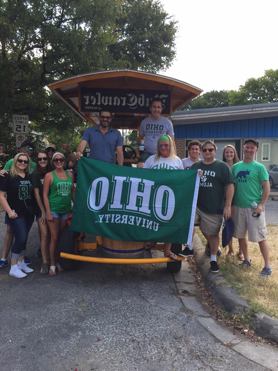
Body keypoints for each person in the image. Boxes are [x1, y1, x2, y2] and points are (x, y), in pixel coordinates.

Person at [180, 140, 235, 274]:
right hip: (197, 205)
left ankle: (213, 259)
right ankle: (190, 246)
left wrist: (227, 206)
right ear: (201, 152)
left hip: (214, 207)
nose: (207, 152)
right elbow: (187, 183)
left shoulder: (221, 166)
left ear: (215, 151)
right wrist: (194, 178)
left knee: (213, 234)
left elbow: (230, 185)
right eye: (204, 150)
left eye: (210, 150)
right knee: (186, 222)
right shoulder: (195, 166)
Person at [231, 139, 272, 278]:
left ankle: (267, 266)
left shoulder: (259, 167)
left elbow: (266, 187)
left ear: (256, 150)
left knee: (261, 237)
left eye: (252, 148)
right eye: (247, 147)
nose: (249, 150)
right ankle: (246, 260)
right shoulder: (236, 167)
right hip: (238, 206)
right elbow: (231, 187)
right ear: (243, 148)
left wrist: (261, 204)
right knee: (241, 235)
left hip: (254, 208)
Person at [143, 135, 183, 260]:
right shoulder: (151, 159)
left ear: (170, 146)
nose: (164, 147)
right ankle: (152, 241)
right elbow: (143, 176)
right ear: (158, 147)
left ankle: (167, 250)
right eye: (161, 145)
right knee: (152, 218)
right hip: (153, 195)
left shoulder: (177, 161)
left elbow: (183, 178)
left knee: (169, 221)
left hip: (170, 196)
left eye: (166, 145)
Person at [0, 139, 36, 270]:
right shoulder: (9, 173)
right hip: (14, 210)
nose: (23, 163)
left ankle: (20, 262)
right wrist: (9, 211)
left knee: (24, 236)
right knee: (18, 235)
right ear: (15, 161)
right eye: (20, 161)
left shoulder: (29, 174)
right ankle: (10, 263)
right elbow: (1, 194)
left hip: (28, 210)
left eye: (25, 161)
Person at [43, 152, 75, 276]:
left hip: (66, 210)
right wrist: (48, 212)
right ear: (53, 162)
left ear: (64, 161)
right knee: (54, 237)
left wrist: (76, 206)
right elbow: (45, 195)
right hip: (54, 210)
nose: (58, 161)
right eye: (56, 160)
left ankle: (57, 262)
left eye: (60, 159)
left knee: (61, 238)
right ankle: (52, 263)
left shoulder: (70, 175)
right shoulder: (49, 176)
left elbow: (72, 191)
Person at [31, 150, 52, 274]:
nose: (42, 161)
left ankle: (53, 259)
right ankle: (45, 262)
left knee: (53, 236)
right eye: (40, 159)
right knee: (44, 236)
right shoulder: (35, 174)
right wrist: (43, 211)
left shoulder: (52, 171)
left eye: (44, 158)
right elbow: (36, 194)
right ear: (37, 161)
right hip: (41, 209)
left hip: (54, 206)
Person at [137, 98, 175, 168]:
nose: (156, 109)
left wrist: (173, 155)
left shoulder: (167, 122)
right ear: (150, 108)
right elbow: (140, 138)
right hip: (147, 153)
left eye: (158, 107)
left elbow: (171, 141)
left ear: (161, 109)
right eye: (154, 107)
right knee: (140, 166)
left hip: (162, 152)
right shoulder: (144, 122)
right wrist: (140, 149)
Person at [222, 145, 243, 259]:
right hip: (225, 201)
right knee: (228, 225)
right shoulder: (221, 166)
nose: (229, 154)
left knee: (240, 226)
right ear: (224, 154)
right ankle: (230, 250)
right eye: (227, 152)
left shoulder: (239, 166)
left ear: (235, 153)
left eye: (231, 152)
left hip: (238, 200)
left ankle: (241, 251)